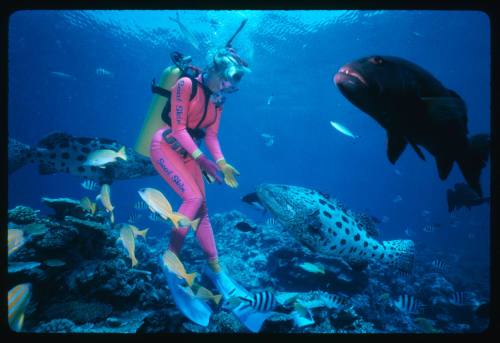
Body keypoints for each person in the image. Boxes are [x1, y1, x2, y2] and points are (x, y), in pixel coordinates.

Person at [149, 46, 270, 331]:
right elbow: (178, 129)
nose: (227, 88)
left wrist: (221, 162)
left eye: (232, 85)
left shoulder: (218, 101)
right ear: (215, 70)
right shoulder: (185, 84)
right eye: (226, 80)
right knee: (191, 198)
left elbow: (212, 135)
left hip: (189, 152)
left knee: (201, 208)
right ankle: (170, 262)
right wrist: (202, 160)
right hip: (165, 145)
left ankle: (213, 267)